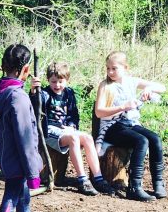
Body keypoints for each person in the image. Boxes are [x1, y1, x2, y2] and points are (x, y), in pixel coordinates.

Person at [0, 44, 63, 212]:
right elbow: (25, 137)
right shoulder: (17, 98)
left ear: (3, 66)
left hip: (9, 155)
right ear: (26, 69)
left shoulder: (5, 90)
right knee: (11, 199)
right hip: (18, 159)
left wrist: (33, 96)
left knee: (23, 200)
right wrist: (33, 169)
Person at [94, 51, 167, 202]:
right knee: (141, 141)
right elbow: (99, 112)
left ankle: (158, 182)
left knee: (155, 139)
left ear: (125, 68)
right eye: (108, 68)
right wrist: (123, 107)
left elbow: (162, 88)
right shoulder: (105, 85)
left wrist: (149, 89)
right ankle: (134, 187)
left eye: (114, 68)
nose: (110, 72)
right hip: (112, 127)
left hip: (130, 124)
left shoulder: (131, 81)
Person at [31, 61, 112, 196]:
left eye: (60, 81)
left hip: (65, 130)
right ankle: (82, 180)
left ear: (67, 80)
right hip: (49, 130)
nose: (57, 85)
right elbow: (35, 106)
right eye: (53, 82)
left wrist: (72, 126)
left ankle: (98, 178)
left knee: (87, 138)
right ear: (48, 80)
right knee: (74, 138)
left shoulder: (68, 93)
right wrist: (34, 91)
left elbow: (74, 115)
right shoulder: (44, 93)